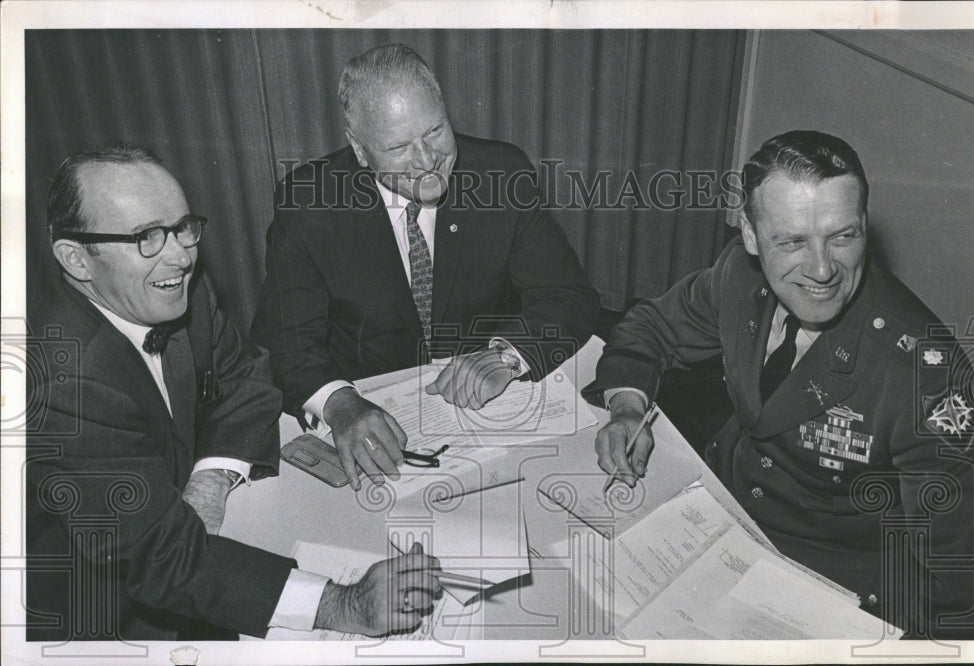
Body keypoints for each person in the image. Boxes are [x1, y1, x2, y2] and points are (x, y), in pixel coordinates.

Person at [26, 145, 441, 641]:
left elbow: (245, 377)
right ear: (76, 259)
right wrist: (344, 604)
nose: (181, 256)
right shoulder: (59, 381)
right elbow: (162, 561)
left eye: (183, 228)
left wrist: (211, 479)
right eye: (147, 237)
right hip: (109, 615)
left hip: (195, 549)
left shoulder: (178, 290)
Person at [583, 130, 974, 639]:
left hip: (832, 587)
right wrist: (627, 409)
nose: (821, 270)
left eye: (844, 236)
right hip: (720, 514)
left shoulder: (927, 375)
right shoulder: (740, 276)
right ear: (749, 234)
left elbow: (956, 583)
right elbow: (652, 328)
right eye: (791, 241)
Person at [251, 43, 599, 491]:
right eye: (398, 147)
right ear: (359, 150)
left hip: (485, 414)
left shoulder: (502, 174)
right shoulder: (308, 202)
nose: (427, 161)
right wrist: (339, 404)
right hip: (369, 412)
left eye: (435, 131)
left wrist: (507, 355)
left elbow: (570, 297)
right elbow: (283, 340)